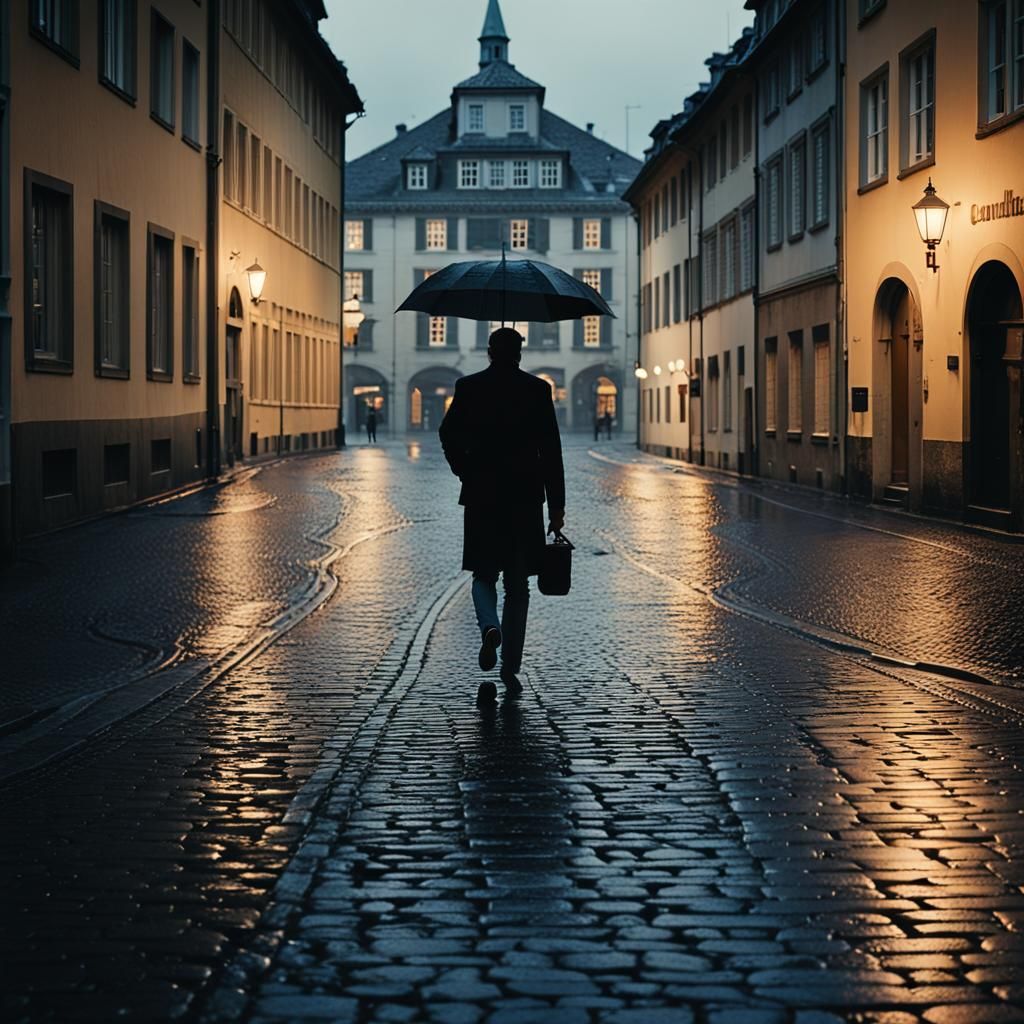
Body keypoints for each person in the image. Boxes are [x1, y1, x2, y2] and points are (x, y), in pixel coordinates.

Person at [439, 327, 565, 706]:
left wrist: (464, 468)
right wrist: (556, 507)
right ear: (520, 354)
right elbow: (552, 452)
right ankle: (510, 664)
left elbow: (447, 434)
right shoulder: (538, 390)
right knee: (518, 585)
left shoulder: (469, 386)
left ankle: (489, 626)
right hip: (526, 499)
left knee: (482, 573)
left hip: (481, 496)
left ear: (490, 351)